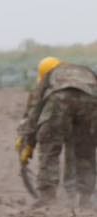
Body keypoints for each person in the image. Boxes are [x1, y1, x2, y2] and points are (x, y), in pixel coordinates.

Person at [15, 56, 97, 207]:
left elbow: (35, 110)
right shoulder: (84, 71)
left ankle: (47, 197)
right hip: (91, 101)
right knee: (86, 150)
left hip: (59, 100)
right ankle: (86, 198)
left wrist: (28, 142)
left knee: (50, 147)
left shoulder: (50, 77)